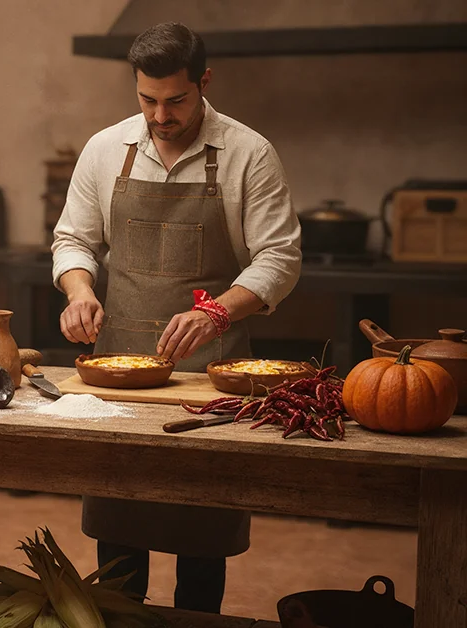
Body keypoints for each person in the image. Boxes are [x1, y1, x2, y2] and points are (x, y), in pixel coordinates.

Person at [50, 22, 302, 612]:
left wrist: (218, 310)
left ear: (204, 82)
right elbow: (72, 239)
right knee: (118, 542)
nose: (160, 115)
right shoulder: (105, 149)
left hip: (210, 381)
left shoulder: (248, 153)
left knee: (200, 540)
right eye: (147, 99)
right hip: (117, 379)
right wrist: (79, 290)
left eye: (176, 100)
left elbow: (280, 256)